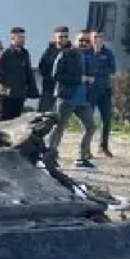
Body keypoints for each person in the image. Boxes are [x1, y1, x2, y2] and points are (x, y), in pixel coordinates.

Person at [47, 27, 97, 169]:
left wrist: (91, 80)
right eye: (81, 40)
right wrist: (79, 79)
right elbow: (56, 75)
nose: (84, 43)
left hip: (83, 100)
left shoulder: (90, 56)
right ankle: (50, 155)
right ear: (75, 40)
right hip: (66, 98)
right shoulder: (66, 54)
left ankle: (82, 157)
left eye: (87, 41)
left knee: (91, 127)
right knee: (59, 128)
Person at [0, 27, 38, 122]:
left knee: (15, 122)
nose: (23, 40)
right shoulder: (5, 54)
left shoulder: (25, 53)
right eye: (20, 37)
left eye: (23, 37)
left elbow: (28, 72)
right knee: (2, 122)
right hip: (6, 96)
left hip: (19, 94)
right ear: (12, 38)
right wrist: (7, 86)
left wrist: (31, 90)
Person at [89, 30, 117, 158]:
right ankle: (86, 148)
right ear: (91, 38)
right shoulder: (87, 52)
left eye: (100, 37)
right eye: (95, 37)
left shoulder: (108, 53)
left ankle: (103, 146)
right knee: (88, 120)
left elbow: (112, 69)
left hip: (104, 90)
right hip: (90, 91)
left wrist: (96, 71)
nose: (97, 39)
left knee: (106, 120)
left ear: (103, 39)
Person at [37, 28, 65, 113]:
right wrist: (51, 78)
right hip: (49, 89)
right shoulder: (48, 52)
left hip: (64, 91)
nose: (63, 39)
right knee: (42, 115)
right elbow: (42, 69)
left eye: (65, 36)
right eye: (60, 37)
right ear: (55, 37)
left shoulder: (71, 52)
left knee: (60, 117)